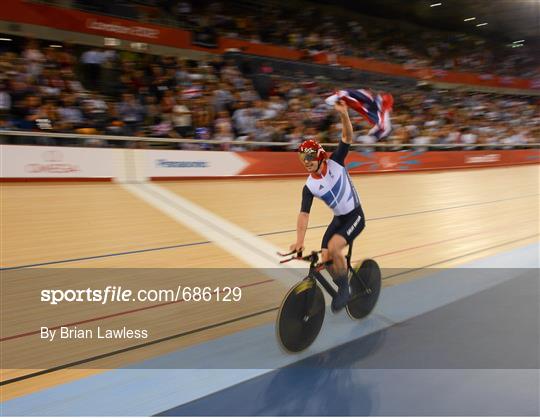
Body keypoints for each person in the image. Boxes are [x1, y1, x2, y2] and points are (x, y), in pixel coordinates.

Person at [289, 100, 365, 312]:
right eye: (303, 157)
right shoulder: (309, 186)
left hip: (355, 216)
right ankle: (342, 285)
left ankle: (345, 289)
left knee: (334, 247)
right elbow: (304, 214)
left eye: (310, 156)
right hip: (339, 219)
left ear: (320, 155)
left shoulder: (336, 161)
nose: (306, 161)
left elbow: (347, 137)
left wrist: (343, 114)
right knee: (325, 255)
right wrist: (299, 241)